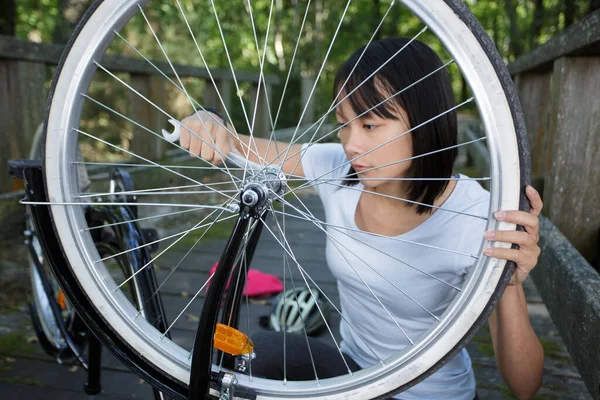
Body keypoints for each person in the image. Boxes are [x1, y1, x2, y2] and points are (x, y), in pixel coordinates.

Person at [178, 37, 544, 399]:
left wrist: (508, 281)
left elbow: (524, 385)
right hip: (351, 377)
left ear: (425, 121)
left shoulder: (479, 216)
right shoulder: (338, 169)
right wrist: (209, 121)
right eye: (344, 123)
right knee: (246, 360)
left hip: (431, 394)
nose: (351, 144)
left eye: (370, 125)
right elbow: (238, 146)